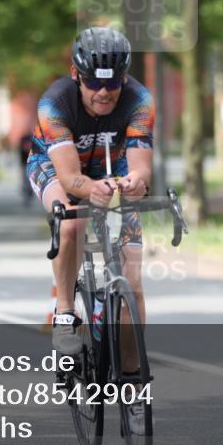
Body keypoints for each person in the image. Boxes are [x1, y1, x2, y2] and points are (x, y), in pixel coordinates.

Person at [26, 27, 155, 356]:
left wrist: (136, 182)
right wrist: (92, 188)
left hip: (112, 163)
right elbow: (71, 179)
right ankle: (65, 312)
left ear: (124, 78)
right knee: (71, 222)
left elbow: (141, 168)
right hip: (54, 165)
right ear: (76, 74)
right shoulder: (54, 104)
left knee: (133, 282)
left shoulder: (140, 101)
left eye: (113, 83)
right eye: (94, 83)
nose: (104, 92)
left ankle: (132, 379)